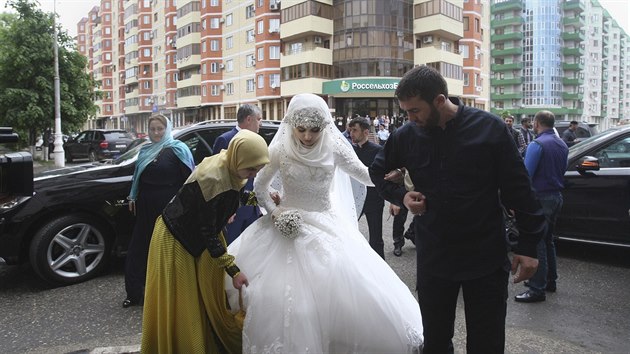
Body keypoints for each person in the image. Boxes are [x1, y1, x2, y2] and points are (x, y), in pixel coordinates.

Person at [226, 93, 423, 353]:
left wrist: (391, 177)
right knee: (278, 299)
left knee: (347, 294)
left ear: (325, 127)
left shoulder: (334, 146)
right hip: (285, 223)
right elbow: (260, 187)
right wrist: (276, 213)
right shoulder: (279, 149)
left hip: (326, 223)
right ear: (291, 125)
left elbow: (364, 175)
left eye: (315, 130)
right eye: (302, 129)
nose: (307, 136)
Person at [370, 65, 546, 354]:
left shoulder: (489, 129)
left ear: (439, 101)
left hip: (485, 256)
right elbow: (378, 172)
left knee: (486, 343)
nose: (409, 118)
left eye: (415, 111)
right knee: (436, 342)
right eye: (406, 112)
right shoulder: (406, 136)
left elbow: (520, 190)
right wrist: (402, 196)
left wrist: (528, 246)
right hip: (435, 257)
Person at [141, 130, 270, 353]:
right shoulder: (214, 180)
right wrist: (234, 271)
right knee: (185, 305)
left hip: (194, 238)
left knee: (202, 300)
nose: (251, 175)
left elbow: (233, 196)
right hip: (177, 242)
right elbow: (208, 232)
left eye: (257, 170)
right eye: (250, 169)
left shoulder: (227, 163)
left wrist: (261, 198)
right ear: (238, 157)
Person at [123, 114, 194, 308]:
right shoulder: (145, 150)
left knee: (168, 251)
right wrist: (133, 196)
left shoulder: (179, 149)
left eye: (160, 129)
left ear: (167, 129)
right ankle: (135, 294)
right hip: (146, 206)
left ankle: (171, 294)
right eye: (153, 129)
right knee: (139, 250)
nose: (156, 133)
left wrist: (183, 208)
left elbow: (189, 181)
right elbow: (137, 177)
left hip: (169, 208)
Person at [515, 111, 569, 303]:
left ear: (536, 124)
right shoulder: (562, 144)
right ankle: (550, 281)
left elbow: (526, 175)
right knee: (548, 241)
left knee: (537, 242)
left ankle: (537, 289)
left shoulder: (537, 144)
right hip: (556, 196)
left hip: (540, 198)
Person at [212, 104, 263, 244]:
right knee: (232, 251)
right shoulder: (225, 140)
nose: (261, 124)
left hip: (251, 209)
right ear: (248, 119)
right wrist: (225, 209)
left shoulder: (256, 140)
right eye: (259, 119)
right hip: (233, 212)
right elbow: (218, 178)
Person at [348, 116, 386, 258]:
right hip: (353, 200)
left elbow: (383, 175)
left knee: (376, 238)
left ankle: (380, 271)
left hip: (373, 200)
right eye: (350, 130)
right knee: (348, 233)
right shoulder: (350, 151)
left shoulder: (378, 150)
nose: (351, 133)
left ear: (365, 132)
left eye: (355, 130)